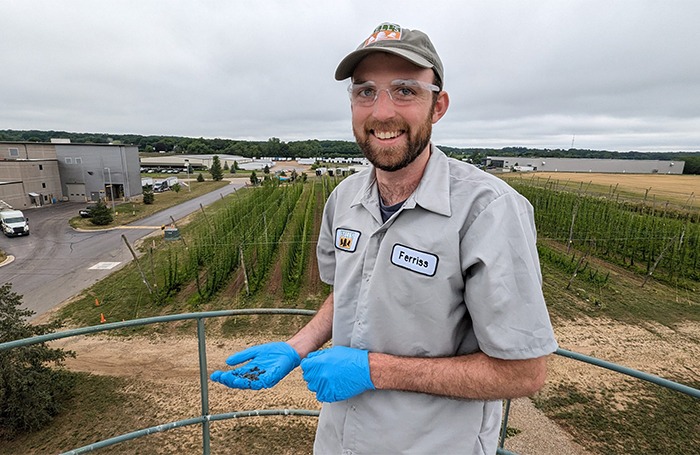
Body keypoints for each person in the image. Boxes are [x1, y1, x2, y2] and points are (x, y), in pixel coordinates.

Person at [211, 22, 558, 454]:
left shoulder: (487, 212)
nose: (381, 113)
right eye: (365, 91)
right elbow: (349, 291)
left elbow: (524, 372)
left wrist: (374, 370)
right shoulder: (344, 198)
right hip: (338, 441)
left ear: (438, 106)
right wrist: (297, 346)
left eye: (405, 90)